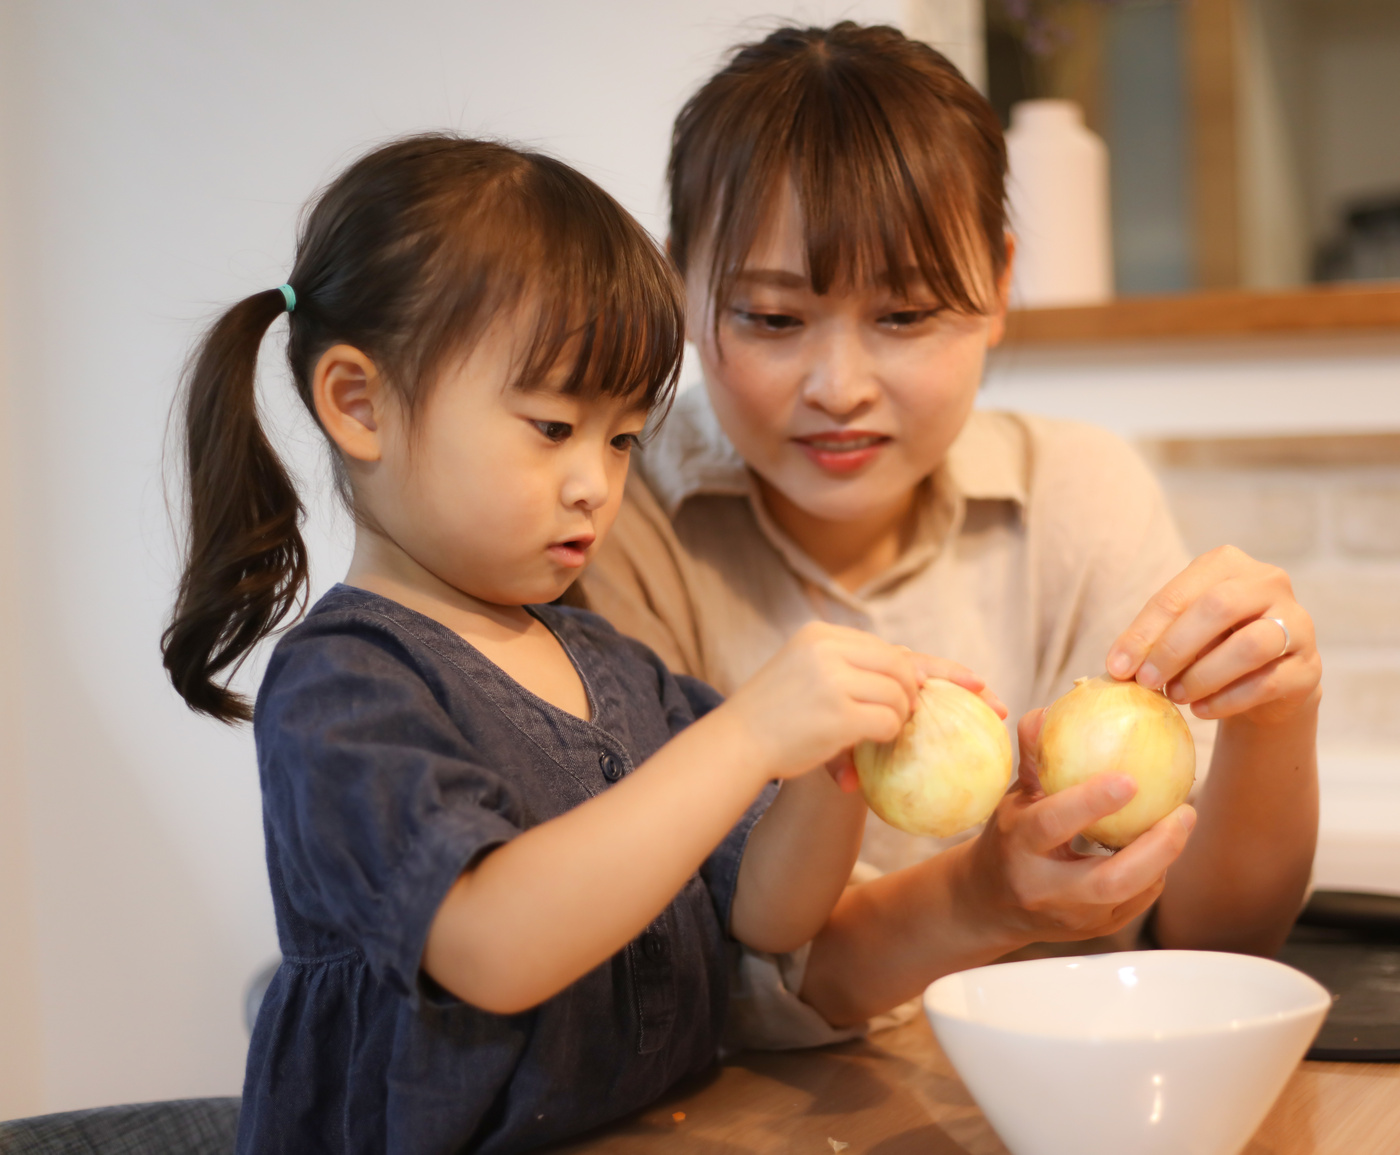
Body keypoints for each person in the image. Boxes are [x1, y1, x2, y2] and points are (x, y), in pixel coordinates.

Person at [159, 133, 1009, 1153]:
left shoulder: (609, 663)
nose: (593, 486)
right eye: (552, 428)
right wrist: (744, 737)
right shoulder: (345, 685)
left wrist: (832, 765)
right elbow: (492, 946)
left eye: (619, 441)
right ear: (358, 402)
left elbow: (770, 919)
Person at [577, 22, 1323, 1040]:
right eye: (771, 318)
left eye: (905, 315)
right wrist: (978, 900)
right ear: (683, 287)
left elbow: (1215, 946)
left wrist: (1274, 720)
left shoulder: (1077, 491)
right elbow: (668, 978)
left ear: (1000, 284)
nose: (838, 390)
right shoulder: (615, 523)